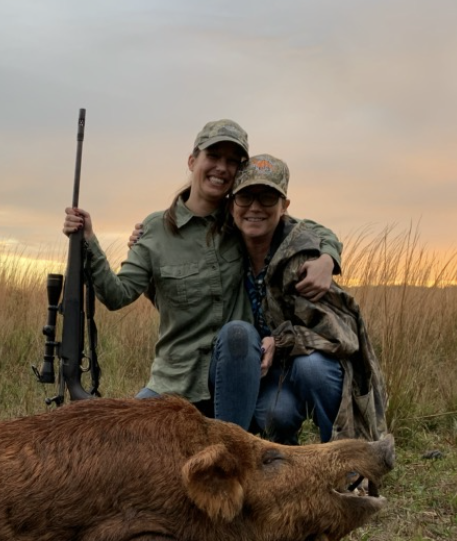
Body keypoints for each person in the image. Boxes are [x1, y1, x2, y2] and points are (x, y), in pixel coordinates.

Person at [62, 119, 343, 426]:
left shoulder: (244, 217)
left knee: (239, 334)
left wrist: (327, 258)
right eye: (213, 156)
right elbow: (117, 295)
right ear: (192, 160)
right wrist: (88, 240)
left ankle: (232, 444)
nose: (222, 167)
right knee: (123, 433)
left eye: (232, 161)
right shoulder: (156, 229)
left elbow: (308, 229)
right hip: (176, 379)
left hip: (238, 374)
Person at [229, 154, 387, 443]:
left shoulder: (303, 258)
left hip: (307, 363)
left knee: (312, 368)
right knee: (276, 414)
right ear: (232, 203)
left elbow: (339, 336)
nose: (255, 207)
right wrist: (149, 232)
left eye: (268, 198)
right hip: (266, 373)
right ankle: (286, 461)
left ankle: (342, 455)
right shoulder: (224, 247)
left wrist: (279, 341)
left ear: (284, 206)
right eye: (245, 197)